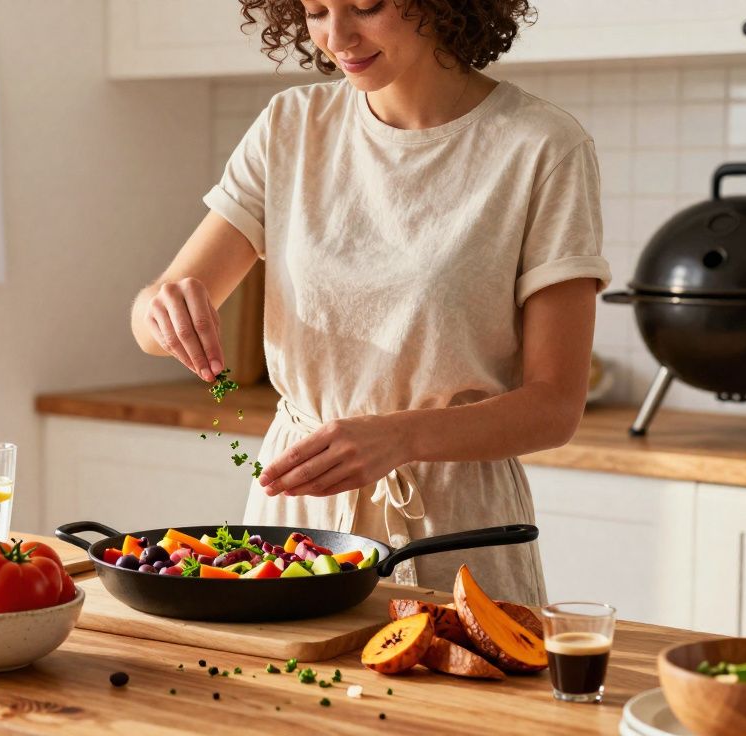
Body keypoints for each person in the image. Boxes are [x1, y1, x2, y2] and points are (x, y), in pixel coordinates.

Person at [129, 0, 609, 604]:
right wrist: (161, 308)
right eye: (316, 11)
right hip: (301, 513)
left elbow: (555, 407)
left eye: (367, 6)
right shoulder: (291, 126)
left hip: (455, 527)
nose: (337, 37)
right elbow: (151, 322)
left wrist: (400, 437)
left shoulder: (541, 146)